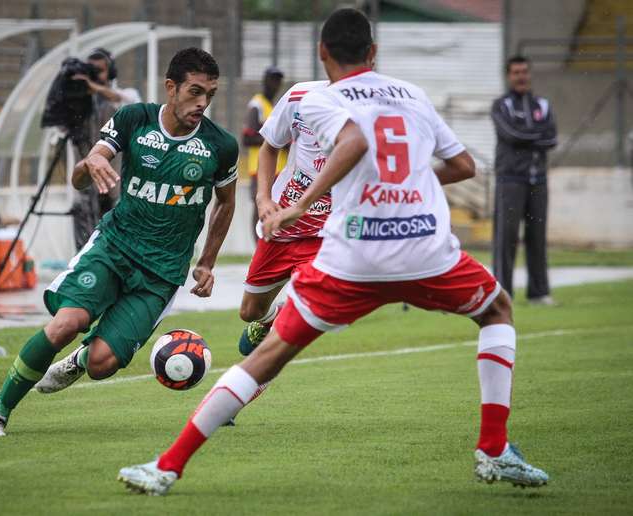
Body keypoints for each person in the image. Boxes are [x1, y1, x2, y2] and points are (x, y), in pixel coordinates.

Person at [118, 9, 549, 495]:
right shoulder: (412, 94)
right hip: (426, 248)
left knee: (269, 354)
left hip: (355, 255)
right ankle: (493, 449)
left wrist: (297, 204)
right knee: (497, 311)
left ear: (323, 53)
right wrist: (406, 180)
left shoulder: (319, 97)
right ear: (373, 53)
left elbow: (355, 141)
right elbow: (464, 165)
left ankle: (167, 467)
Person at [0, 47, 239, 437]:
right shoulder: (135, 119)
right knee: (67, 323)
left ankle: (82, 357)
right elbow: (83, 175)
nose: (202, 103)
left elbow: (226, 203)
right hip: (115, 246)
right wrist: (89, 163)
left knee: (101, 364)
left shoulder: (221, 145)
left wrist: (207, 262)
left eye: (210, 95)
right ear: (171, 87)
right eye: (194, 91)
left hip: (163, 270)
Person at [236, 77, 330, 357]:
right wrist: (263, 198)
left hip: (327, 232)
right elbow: (269, 147)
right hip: (283, 225)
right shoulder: (299, 96)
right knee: (249, 311)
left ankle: (266, 360)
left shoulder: (369, 107)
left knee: (307, 310)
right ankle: (269, 319)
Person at [491, 56, 557, 304]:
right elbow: (511, 134)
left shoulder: (543, 105)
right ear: (508, 76)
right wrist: (535, 135)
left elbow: (552, 139)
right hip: (510, 180)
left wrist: (529, 137)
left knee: (537, 237)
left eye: (525, 72)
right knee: (506, 238)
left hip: (537, 179)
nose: (521, 76)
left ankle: (539, 293)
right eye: (516, 72)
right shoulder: (501, 105)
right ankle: (502, 293)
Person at [70, 48, 142, 251]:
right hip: (88, 182)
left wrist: (96, 88)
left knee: (118, 236)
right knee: (86, 234)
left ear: (111, 72)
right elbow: (60, 129)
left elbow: (129, 102)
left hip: (118, 181)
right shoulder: (82, 104)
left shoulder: (125, 95)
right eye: (91, 71)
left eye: (99, 71)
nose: (95, 76)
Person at [243, 66, 288, 242]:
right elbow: (247, 138)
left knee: (276, 208)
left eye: (278, 80)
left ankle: (270, 241)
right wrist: (278, 140)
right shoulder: (257, 105)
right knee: (260, 207)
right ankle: (258, 246)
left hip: (278, 169)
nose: (275, 84)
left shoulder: (272, 106)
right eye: (272, 79)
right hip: (259, 168)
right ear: (264, 81)